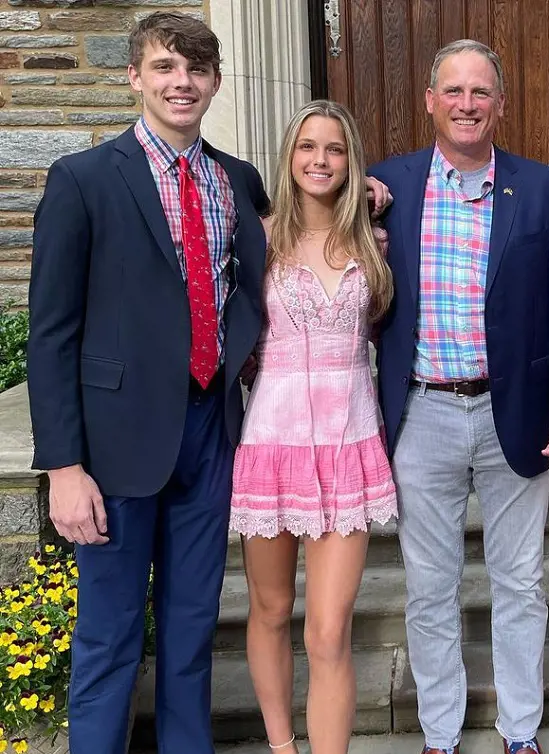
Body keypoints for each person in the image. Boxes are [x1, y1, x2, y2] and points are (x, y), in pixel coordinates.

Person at [26, 13, 270, 753]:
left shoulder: (238, 180)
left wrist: (371, 200)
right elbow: (51, 333)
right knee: (108, 636)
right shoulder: (83, 180)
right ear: (135, 76)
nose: (181, 83)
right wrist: (64, 467)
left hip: (207, 432)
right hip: (115, 446)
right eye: (165, 67)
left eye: (196, 70)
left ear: (216, 82)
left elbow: (271, 268)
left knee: (193, 628)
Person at [368, 39, 549, 754]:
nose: (467, 105)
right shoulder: (386, 185)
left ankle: (520, 734)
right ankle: (440, 735)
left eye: (480, 93)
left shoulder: (540, 189)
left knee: (521, 583)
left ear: (500, 104)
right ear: (431, 101)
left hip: (516, 413)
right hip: (422, 412)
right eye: (454, 92)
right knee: (432, 588)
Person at [228, 100, 397, 754]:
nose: (319, 160)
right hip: (273, 443)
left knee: (328, 631)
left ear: (351, 160)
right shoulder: (259, 239)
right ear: (289, 157)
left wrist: (376, 199)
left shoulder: (374, 241)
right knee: (270, 611)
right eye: (307, 147)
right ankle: (281, 746)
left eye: (334, 148)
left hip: (349, 443)